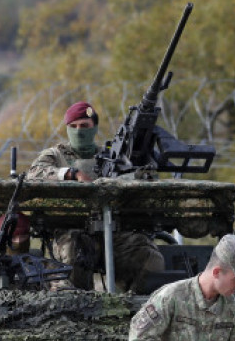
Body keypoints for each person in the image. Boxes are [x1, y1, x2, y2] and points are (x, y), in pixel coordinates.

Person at [27, 100, 164, 292]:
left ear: (94, 128)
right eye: (73, 126)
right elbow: (34, 173)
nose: (79, 130)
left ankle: (133, 303)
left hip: (112, 232)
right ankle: (80, 309)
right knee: (75, 248)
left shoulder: (110, 157)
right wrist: (71, 174)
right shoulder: (55, 155)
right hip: (70, 232)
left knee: (148, 255)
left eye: (84, 126)